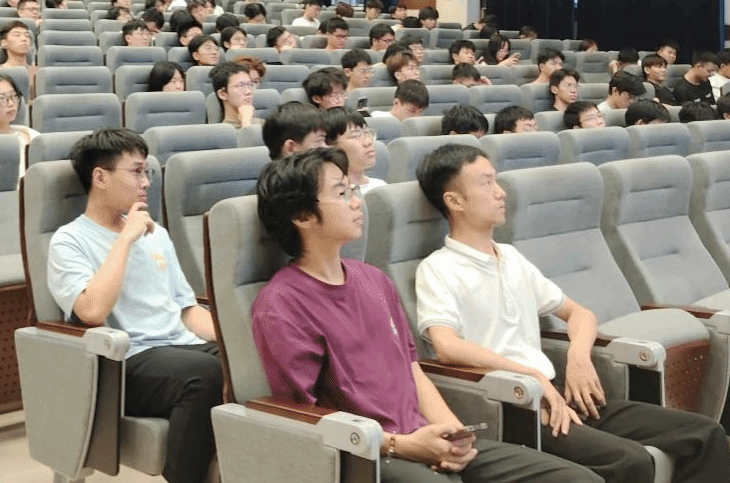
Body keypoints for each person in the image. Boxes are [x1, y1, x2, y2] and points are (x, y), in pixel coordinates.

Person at [253, 148, 594, 483]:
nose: (356, 202)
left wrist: (453, 433)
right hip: (369, 455)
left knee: (575, 478)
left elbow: (412, 369)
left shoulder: (373, 279)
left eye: (353, 190)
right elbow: (305, 418)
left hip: (424, 435)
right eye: (341, 194)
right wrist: (402, 446)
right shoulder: (281, 304)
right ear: (303, 217)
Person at [415, 144, 730, 483]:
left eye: (497, 181)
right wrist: (531, 376)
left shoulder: (510, 257)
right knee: (631, 460)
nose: (500, 192)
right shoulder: (438, 269)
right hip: (516, 404)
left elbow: (580, 314)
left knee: (704, 434)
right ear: (455, 201)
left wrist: (578, 359)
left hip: (558, 392)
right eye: (486, 183)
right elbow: (446, 345)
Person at [48, 129, 220, 483]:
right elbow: (91, 311)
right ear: (100, 177)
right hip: (125, 360)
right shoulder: (69, 240)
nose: (146, 183)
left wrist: (240, 343)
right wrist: (125, 238)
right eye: (137, 172)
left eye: (147, 172)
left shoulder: (157, 234)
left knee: (248, 364)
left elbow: (187, 310)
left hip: (179, 347)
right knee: (205, 373)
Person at [322, 106, 382, 192]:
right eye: (356, 135)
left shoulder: (381, 186)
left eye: (367, 132)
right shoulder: (330, 195)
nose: (368, 142)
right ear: (330, 146)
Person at [212, 60, 256, 128]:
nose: (248, 91)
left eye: (250, 85)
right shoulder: (219, 131)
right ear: (222, 94)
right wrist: (246, 122)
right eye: (241, 86)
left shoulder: (265, 124)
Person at [0, 19, 36, 87]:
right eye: (17, 35)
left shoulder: (40, 72)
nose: (24, 39)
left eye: (27, 36)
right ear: (4, 43)